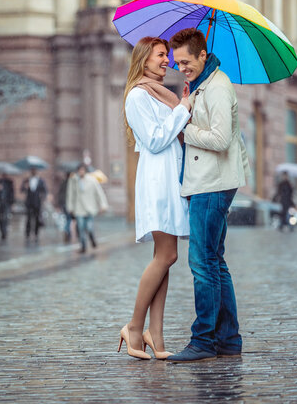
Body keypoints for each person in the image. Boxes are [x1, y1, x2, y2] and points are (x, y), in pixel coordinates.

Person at [167, 28, 250, 363]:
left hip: (212, 184)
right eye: (177, 62)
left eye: (186, 61)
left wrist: (182, 127)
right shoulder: (204, 85)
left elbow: (220, 139)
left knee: (202, 264)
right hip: (210, 181)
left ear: (203, 55)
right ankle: (228, 340)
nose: (181, 67)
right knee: (215, 262)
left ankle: (203, 341)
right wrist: (190, 99)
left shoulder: (217, 87)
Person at [118, 37, 191, 361]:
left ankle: (155, 333)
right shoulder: (137, 96)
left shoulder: (164, 96)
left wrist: (183, 107)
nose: (168, 61)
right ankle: (134, 326)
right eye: (162, 55)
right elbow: (156, 139)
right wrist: (182, 111)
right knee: (166, 256)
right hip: (157, 182)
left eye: (168, 56)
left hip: (170, 180)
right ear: (144, 58)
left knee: (167, 256)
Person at [66, 163, 108, 253]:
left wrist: (103, 205)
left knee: (89, 227)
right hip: (79, 208)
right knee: (80, 228)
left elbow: (99, 193)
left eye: (82, 170)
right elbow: (70, 195)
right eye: (79, 170)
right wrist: (70, 207)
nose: (81, 172)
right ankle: (83, 246)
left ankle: (92, 238)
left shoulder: (92, 180)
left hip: (90, 208)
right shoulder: (73, 180)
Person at [21, 168, 47, 241]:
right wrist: (25, 187)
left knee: (37, 218)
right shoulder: (26, 180)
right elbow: (22, 189)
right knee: (28, 218)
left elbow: (44, 191)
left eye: (35, 170)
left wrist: (42, 197)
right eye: (32, 170)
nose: (33, 172)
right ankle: (27, 233)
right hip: (29, 202)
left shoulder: (41, 181)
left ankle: (36, 233)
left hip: (37, 202)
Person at [0, 173, 14, 240]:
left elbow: (12, 193)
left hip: (7, 202)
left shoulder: (10, 182)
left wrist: (12, 203)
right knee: (0, 217)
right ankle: (2, 230)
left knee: (5, 217)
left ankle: (4, 232)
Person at [56, 171, 73, 243]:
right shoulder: (72, 184)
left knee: (66, 218)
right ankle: (67, 231)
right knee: (69, 219)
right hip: (69, 204)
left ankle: (67, 231)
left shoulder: (63, 183)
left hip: (64, 203)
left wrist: (59, 204)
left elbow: (59, 194)